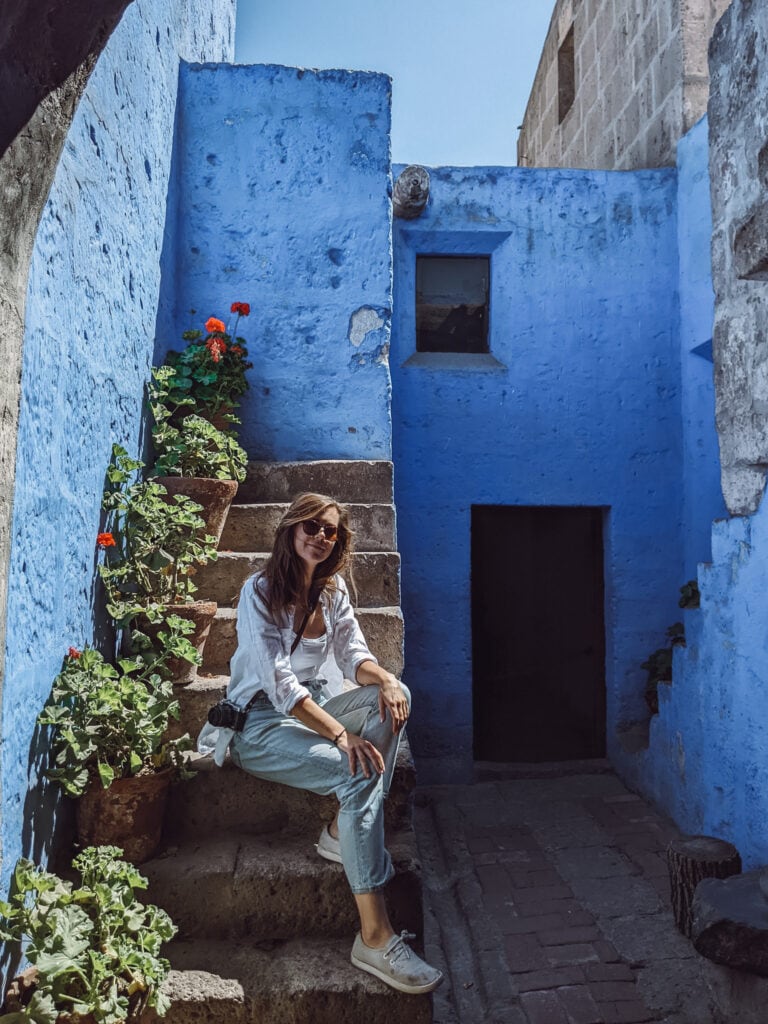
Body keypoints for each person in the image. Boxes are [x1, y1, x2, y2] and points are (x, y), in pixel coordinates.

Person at [197, 491, 443, 996]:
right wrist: (339, 734)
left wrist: (388, 679)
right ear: (290, 530)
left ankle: (340, 829)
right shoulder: (258, 591)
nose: (320, 537)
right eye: (311, 526)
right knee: (358, 773)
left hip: (315, 707)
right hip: (257, 725)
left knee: (394, 697)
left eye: (330, 530)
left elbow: (356, 658)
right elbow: (282, 685)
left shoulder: (332, 593)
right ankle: (374, 936)